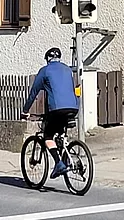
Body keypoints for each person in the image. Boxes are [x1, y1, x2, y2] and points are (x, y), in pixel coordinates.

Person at [21, 47, 80, 178]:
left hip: (57, 109)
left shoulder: (45, 71)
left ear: (47, 59)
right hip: (73, 108)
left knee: (48, 136)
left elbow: (33, 93)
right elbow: (76, 89)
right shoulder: (68, 70)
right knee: (59, 132)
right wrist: (77, 106)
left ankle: (59, 164)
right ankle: (67, 153)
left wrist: (25, 111)